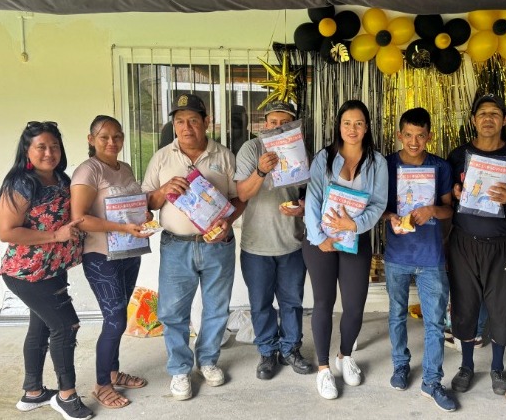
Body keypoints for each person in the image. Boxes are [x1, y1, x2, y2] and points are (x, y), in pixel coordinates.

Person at [141, 93, 246, 401]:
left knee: (216, 308)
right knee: (172, 312)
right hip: (176, 245)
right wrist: (163, 190)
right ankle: (179, 369)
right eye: (179, 122)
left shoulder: (224, 156)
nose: (186, 128)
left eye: (193, 121)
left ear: (206, 122)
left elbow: (239, 198)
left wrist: (228, 222)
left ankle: (209, 360)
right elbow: (146, 202)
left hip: (217, 244)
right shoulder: (162, 157)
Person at [0, 121, 93, 420]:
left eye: (54, 146)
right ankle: (66, 396)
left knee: (40, 327)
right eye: (41, 147)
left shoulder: (61, 179)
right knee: (66, 326)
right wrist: (56, 235)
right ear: (27, 150)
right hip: (28, 273)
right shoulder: (21, 184)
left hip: (52, 269)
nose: (49, 153)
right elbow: (7, 232)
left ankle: (33, 392)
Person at [447, 93, 506, 396]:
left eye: (495, 113)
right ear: (473, 120)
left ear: (505, 120)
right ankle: (466, 366)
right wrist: (455, 194)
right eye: (482, 113)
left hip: (503, 244)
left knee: (500, 308)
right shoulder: (458, 156)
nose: (488, 118)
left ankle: (497, 368)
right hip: (463, 243)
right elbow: (446, 199)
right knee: (465, 306)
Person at [303, 99, 388, 400]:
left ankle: (345, 355)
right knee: (323, 303)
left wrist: (355, 225)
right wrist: (318, 237)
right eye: (347, 123)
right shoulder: (324, 157)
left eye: (358, 123)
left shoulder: (377, 162)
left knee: (354, 305)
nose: (352, 129)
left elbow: (379, 203)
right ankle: (324, 368)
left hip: (355, 240)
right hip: (322, 242)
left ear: (367, 128)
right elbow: (313, 197)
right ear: (339, 126)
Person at [70, 115, 148, 410]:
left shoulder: (124, 168)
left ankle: (114, 372)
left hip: (128, 252)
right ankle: (102, 384)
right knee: (114, 319)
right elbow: (79, 218)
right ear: (91, 140)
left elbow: (129, 207)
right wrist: (122, 228)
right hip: (101, 256)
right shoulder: (88, 171)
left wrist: (142, 216)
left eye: (117, 136)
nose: (112, 142)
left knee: (119, 316)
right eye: (104, 137)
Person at [382, 108, 457, 412]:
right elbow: (378, 207)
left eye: (421, 135)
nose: (414, 142)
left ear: (429, 136)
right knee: (396, 315)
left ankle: (432, 381)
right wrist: (390, 217)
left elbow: (449, 209)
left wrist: (432, 210)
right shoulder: (386, 165)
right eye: (408, 135)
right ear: (399, 135)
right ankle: (400, 365)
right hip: (397, 255)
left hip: (431, 256)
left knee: (435, 322)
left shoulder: (440, 166)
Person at [235, 101, 312, 380]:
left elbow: (310, 191)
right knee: (261, 303)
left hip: (291, 240)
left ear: (293, 126)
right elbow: (242, 194)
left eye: (285, 123)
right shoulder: (251, 149)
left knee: (292, 301)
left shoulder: (300, 150)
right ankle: (267, 352)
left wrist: (303, 207)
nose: (278, 127)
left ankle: (291, 349)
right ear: (264, 124)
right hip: (257, 245)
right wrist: (261, 171)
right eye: (273, 122)